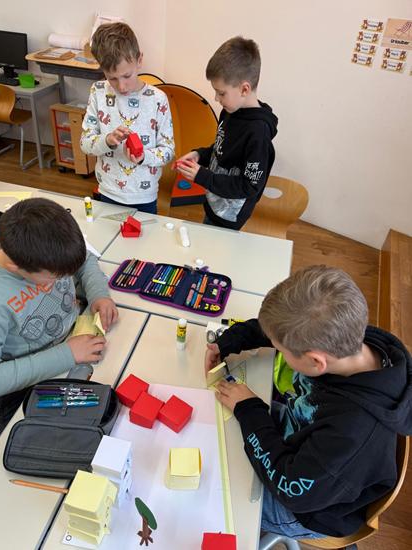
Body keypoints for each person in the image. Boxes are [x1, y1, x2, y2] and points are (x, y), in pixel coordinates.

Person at [205, 265, 412, 539]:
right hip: (304, 450)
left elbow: (290, 487)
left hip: (303, 510)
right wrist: (229, 341)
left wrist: (250, 410)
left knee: (215, 494)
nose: (277, 348)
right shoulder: (350, 338)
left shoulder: (351, 434)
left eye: (281, 351)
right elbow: (282, 329)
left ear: (316, 361)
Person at [0, 198, 119, 436]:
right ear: (14, 267)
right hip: (16, 392)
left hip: (72, 348)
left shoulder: (47, 250)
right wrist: (66, 355)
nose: (63, 279)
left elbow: (84, 260)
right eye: (54, 278)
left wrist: (98, 295)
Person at [174, 36, 278, 230]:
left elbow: (249, 186)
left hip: (230, 217)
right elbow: (221, 149)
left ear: (244, 89)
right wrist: (200, 155)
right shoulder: (230, 110)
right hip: (214, 202)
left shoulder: (258, 133)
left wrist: (203, 177)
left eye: (221, 93)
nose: (216, 98)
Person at [81, 22, 174, 214]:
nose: (121, 86)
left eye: (127, 75)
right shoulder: (98, 92)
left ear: (139, 60)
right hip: (108, 191)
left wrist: (143, 157)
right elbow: (85, 144)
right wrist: (107, 140)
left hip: (144, 196)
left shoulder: (157, 99)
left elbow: (168, 151)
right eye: (112, 78)